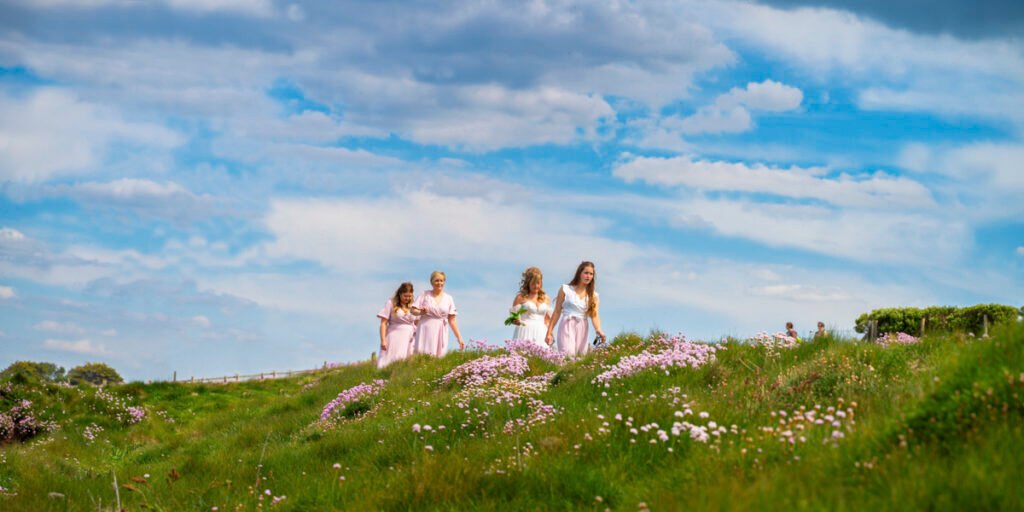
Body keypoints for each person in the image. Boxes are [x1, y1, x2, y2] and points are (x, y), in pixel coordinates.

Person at [545, 261, 606, 357]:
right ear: (579, 273)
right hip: (567, 324)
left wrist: (598, 329)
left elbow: (594, 315)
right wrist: (549, 332)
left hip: (583, 326)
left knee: (580, 356)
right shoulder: (565, 289)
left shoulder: (594, 295)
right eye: (586, 273)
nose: (588, 276)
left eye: (591, 274)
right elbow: (557, 312)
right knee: (568, 354)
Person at [412, 271, 465, 356]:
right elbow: (413, 310)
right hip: (425, 329)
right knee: (423, 355)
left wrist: (459, 338)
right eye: (436, 280)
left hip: (441, 330)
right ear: (431, 282)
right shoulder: (424, 294)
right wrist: (420, 312)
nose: (439, 283)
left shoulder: (449, 298)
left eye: (441, 280)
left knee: (438, 356)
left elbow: (452, 321)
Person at [376, 282, 419, 368]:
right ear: (400, 294)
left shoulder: (413, 306)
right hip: (394, 336)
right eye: (405, 296)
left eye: (410, 296)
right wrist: (383, 340)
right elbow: (383, 323)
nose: (407, 298)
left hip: (410, 337)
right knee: (391, 359)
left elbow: (417, 323)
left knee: (407, 361)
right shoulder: (391, 303)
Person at [510, 267, 552, 348]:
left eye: (538, 283)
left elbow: (547, 320)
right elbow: (513, 318)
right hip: (525, 330)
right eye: (533, 283)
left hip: (541, 331)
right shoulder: (521, 297)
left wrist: (549, 334)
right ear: (528, 283)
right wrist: (516, 320)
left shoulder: (546, 298)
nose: (536, 286)